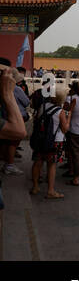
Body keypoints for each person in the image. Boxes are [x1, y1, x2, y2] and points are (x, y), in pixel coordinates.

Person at [1, 63, 32, 247]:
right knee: (12, 142)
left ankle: (8, 161)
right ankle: (9, 163)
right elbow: (20, 131)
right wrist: (8, 94)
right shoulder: (16, 89)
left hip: (7, 119)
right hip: (13, 119)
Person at [29, 84, 69, 200]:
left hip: (40, 139)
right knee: (52, 165)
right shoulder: (60, 111)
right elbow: (64, 129)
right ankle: (50, 191)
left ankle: (35, 186)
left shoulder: (43, 106)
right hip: (55, 141)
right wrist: (69, 116)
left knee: (37, 162)